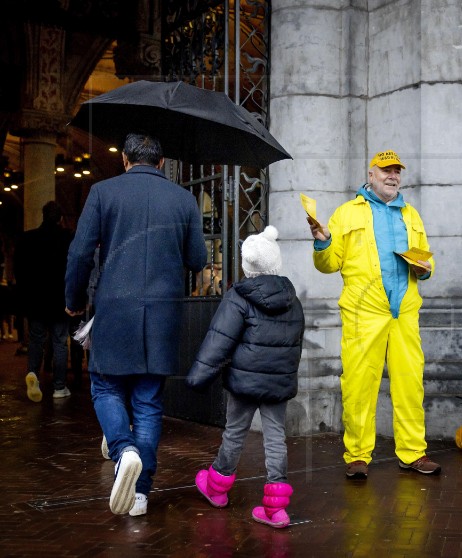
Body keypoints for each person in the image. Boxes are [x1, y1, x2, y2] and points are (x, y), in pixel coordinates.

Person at [65, 133, 207, 516]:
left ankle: (123, 449)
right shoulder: (183, 198)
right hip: (162, 315)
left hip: (114, 310)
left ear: (125, 159)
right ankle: (140, 495)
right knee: (147, 402)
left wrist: (74, 302)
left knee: (105, 387)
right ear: (161, 163)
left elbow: (80, 253)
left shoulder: (102, 192)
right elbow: (197, 258)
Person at [307, 149, 440, 479]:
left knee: (410, 383)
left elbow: (427, 261)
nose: (393, 176)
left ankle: (412, 452)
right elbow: (329, 264)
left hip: (404, 312)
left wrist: (425, 269)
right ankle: (357, 454)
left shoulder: (411, 215)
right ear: (371, 175)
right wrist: (323, 242)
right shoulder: (346, 214)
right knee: (358, 384)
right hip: (362, 312)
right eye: (385, 171)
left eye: (397, 171)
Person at [186, 225, 304, 528]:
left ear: (247, 265)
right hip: (278, 382)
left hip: (244, 382)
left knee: (235, 432)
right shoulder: (293, 300)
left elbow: (219, 340)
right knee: (276, 437)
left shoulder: (238, 297)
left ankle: (217, 488)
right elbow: (294, 344)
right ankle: (276, 507)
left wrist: (198, 377)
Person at [16, 201, 74, 401]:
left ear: (42, 216)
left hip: (36, 301)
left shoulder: (28, 238)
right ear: (59, 219)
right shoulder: (67, 238)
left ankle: (33, 372)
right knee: (59, 343)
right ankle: (59, 387)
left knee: (36, 340)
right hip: (59, 300)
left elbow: (19, 271)